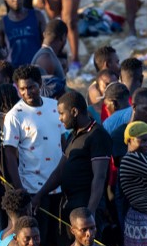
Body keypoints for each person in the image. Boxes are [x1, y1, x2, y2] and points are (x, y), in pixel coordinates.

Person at [3, 65, 64, 246]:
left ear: (39, 84)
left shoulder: (55, 106)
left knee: (59, 240)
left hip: (60, 187)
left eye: (31, 87)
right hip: (34, 190)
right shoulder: (14, 115)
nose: (27, 92)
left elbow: (64, 142)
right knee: (39, 242)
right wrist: (21, 191)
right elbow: (9, 155)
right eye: (22, 89)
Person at [34, 90, 112, 225]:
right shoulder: (72, 135)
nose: (59, 118)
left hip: (86, 209)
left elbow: (99, 177)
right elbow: (59, 172)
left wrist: (90, 213)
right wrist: (39, 195)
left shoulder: (97, 135)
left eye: (62, 113)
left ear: (74, 112)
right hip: (70, 206)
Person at [0, 0, 46, 68]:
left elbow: (46, 44)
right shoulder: (1, 24)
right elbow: (0, 53)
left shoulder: (37, 16)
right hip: (15, 72)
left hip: (37, 68)